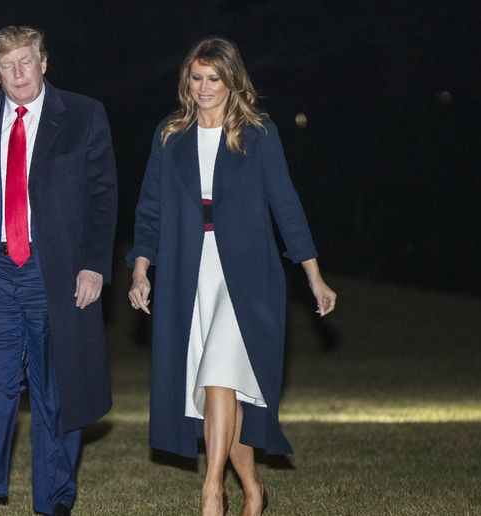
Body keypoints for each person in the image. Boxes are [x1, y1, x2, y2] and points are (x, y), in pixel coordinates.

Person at [127, 37, 337, 516]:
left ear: (232, 81)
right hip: (187, 271)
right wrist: (141, 269)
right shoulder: (170, 133)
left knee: (220, 374)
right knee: (220, 392)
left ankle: (211, 491)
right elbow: (150, 209)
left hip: (247, 275)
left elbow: (286, 205)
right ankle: (255, 491)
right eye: (196, 78)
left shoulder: (258, 132)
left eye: (213, 79)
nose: (204, 88)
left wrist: (314, 277)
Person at [0, 26, 118, 516]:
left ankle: (54, 501)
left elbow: (103, 199)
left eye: (25, 62)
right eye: (6, 66)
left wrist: (94, 265)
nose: (17, 73)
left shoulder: (82, 115)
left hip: (53, 271)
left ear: (43, 62)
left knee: (55, 387)